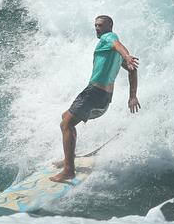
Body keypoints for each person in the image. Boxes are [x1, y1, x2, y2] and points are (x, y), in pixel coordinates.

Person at [49, 15, 140, 183]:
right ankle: (69, 158)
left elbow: (117, 44)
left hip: (94, 93)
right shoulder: (113, 53)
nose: (97, 28)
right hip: (104, 98)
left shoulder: (109, 38)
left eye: (100, 26)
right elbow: (132, 70)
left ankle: (69, 170)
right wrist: (132, 96)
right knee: (66, 118)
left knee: (66, 124)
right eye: (96, 25)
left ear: (109, 26)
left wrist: (126, 55)